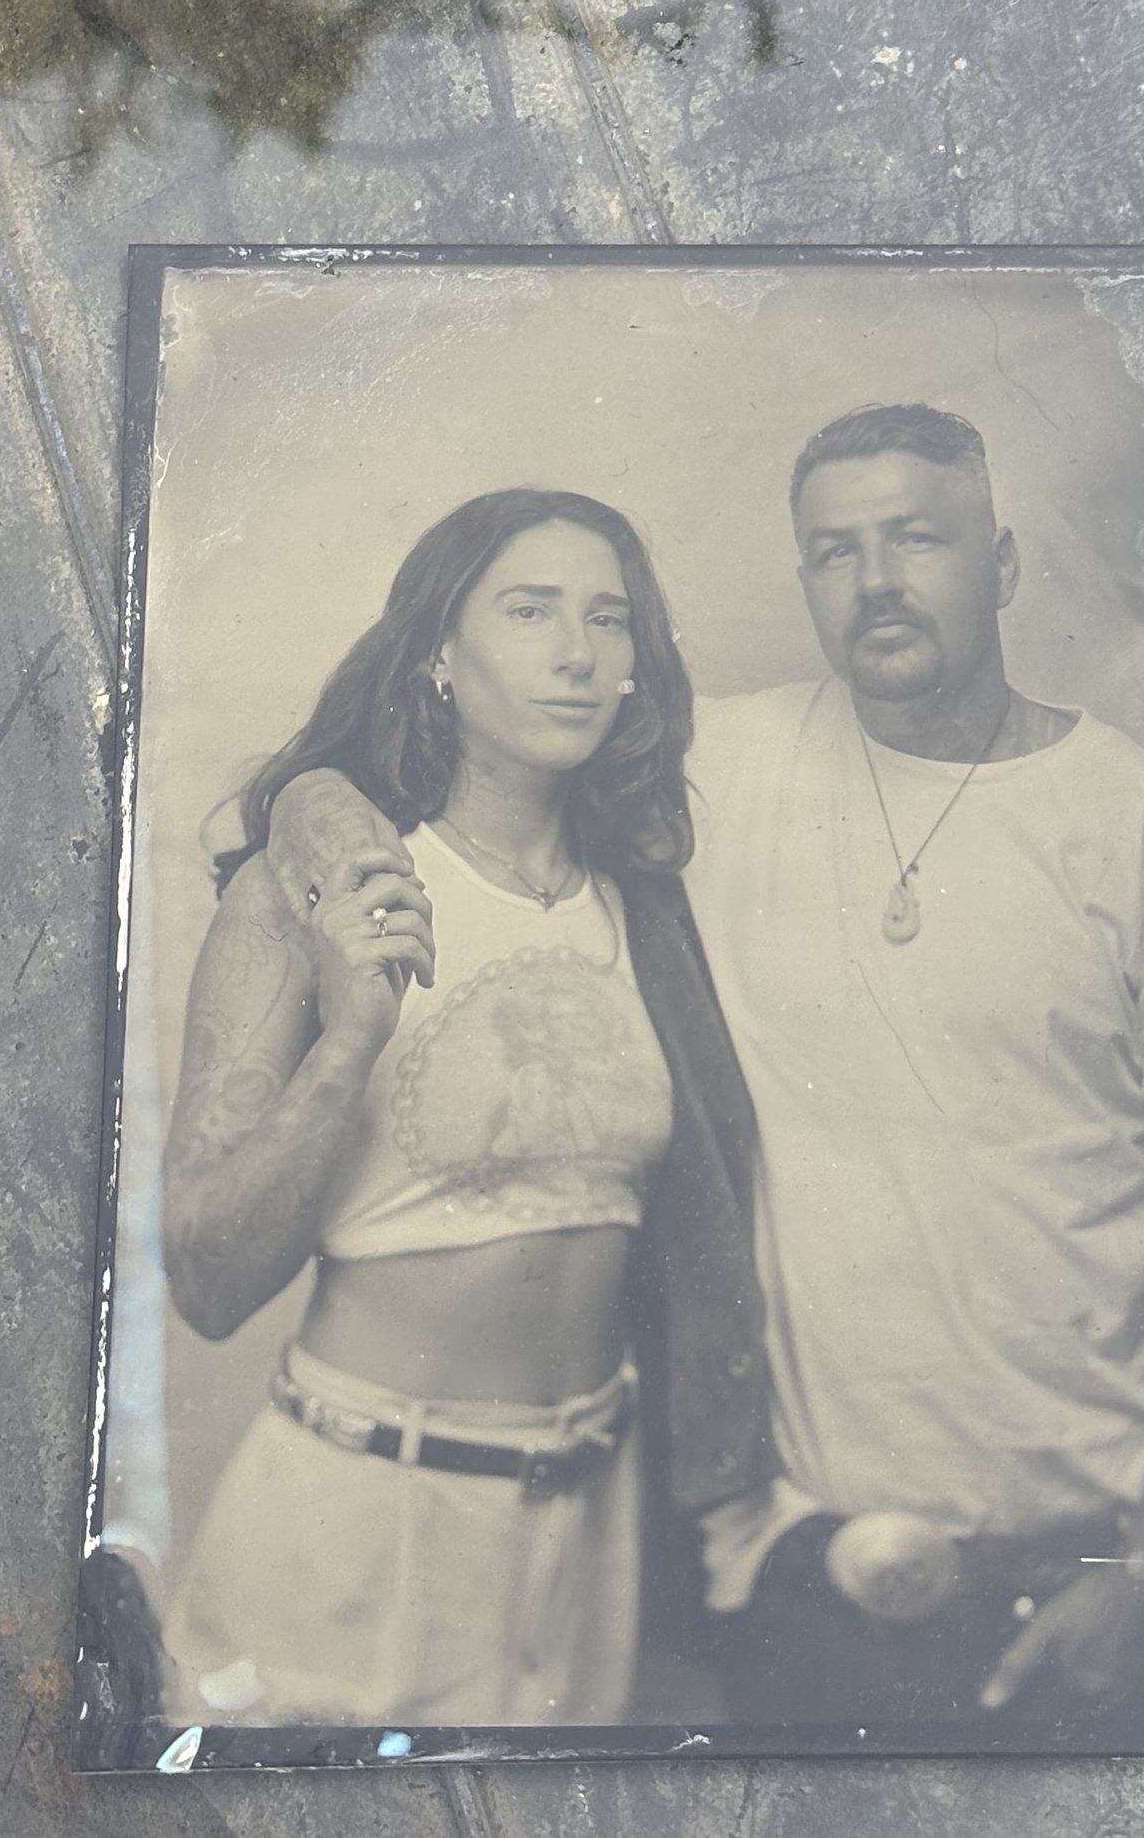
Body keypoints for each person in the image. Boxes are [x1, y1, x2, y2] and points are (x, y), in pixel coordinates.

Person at [270, 404, 1144, 1744]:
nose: (877, 581)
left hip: (1090, 1563)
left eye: (917, 538)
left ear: (998, 565)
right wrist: (321, 818)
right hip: (814, 1582)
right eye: (835, 551)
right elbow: (399, 757)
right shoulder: (721, 766)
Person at [157, 487, 767, 1731]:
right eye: (530, 610)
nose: (576, 653)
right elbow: (207, 1277)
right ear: (438, 652)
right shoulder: (316, 892)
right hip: (361, 1517)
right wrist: (356, 1029)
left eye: (609, 620)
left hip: (591, 1538)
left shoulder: (652, 910)